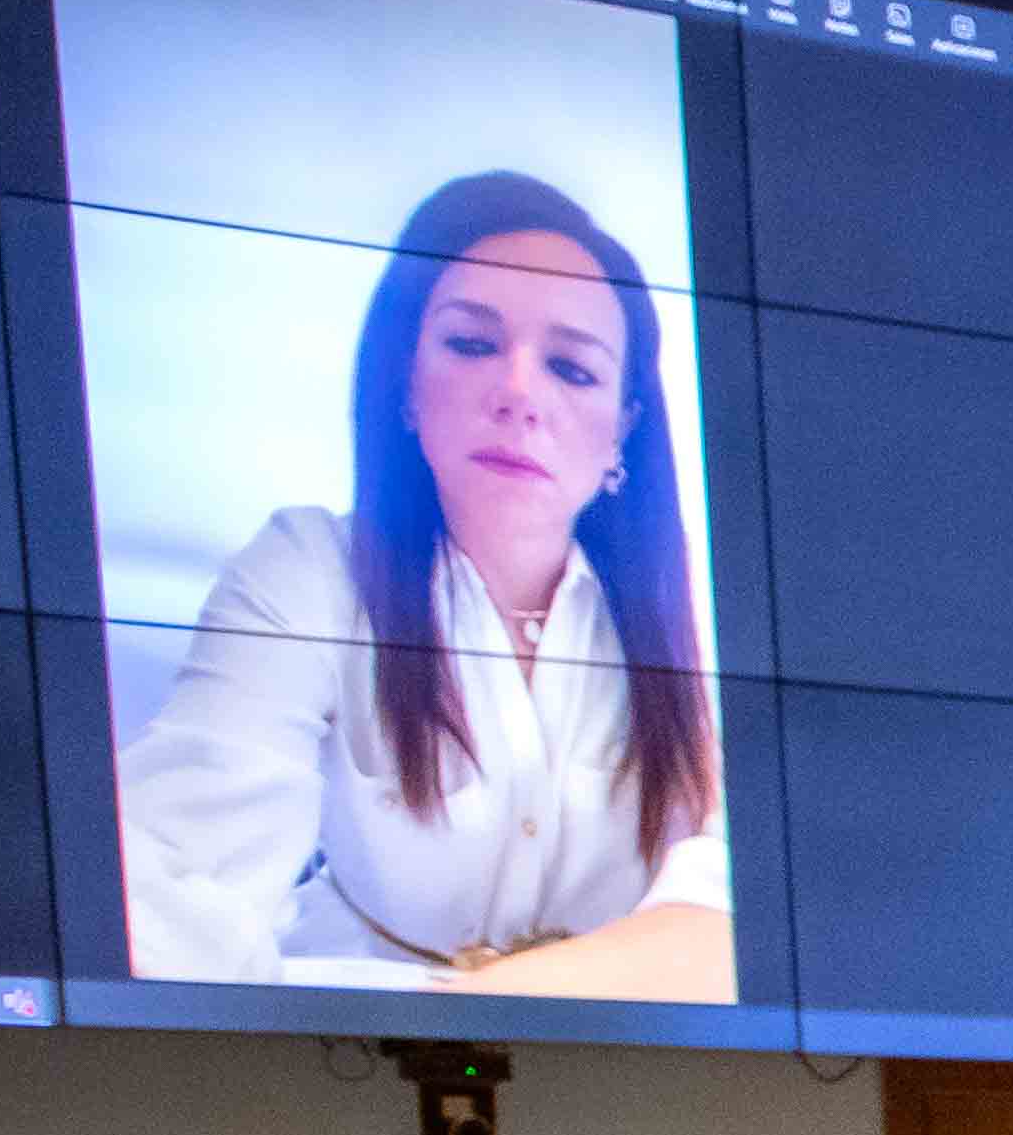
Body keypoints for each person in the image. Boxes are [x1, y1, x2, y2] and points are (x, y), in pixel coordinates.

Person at [114, 173, 734, 999]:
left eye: (572, 369)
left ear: (623, 427)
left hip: (642, 1079)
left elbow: (742, 913)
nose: (519, 393)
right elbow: (164, 882)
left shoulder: (695, 619)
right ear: (406, 382)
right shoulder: (311, 570)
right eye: (473, 344)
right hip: (341, 1064)